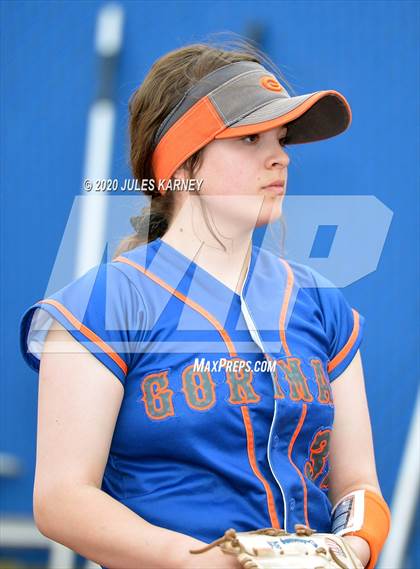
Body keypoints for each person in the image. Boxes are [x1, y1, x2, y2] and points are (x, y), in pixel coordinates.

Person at [20, 40, 390, 569]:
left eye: (281, 138)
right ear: (182, 164)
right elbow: (61, 501)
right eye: (249, 138)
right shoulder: (101, 306)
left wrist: (345, 552)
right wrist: (211, 561)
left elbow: (358, 486)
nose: (279, 155)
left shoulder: (321, 305)